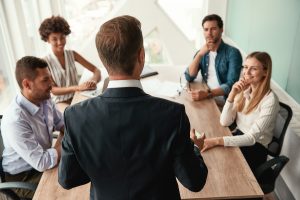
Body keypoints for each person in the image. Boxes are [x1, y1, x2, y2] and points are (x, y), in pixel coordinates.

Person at [58, 15, 208, 200]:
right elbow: (194, 181)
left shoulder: (75, 116)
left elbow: (68, 178)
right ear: (141, 56)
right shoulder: (172, 115)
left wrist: (101, 166)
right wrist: (193, 148)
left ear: (103, 60)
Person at [200, 51, 280, 172]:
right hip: (238, 135)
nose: (246, 72)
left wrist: (217, 141)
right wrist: (232, 94)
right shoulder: (244, 90)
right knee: (210, 156)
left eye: (253, 69)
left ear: (265, 72)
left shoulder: (270, 101)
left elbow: (251, 138)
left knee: (218, 162)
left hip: (255, 147)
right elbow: (224, 122)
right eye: (245, 67)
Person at [0, 56, 64, 199]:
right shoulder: (15, 120)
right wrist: (66, 144)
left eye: (50, 78)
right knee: (64, 190)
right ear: (27, 84)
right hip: (23, 177)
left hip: (42, 159)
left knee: (78, 168)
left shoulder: (45, 99)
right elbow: (42, 162)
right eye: (45, 80)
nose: (51, 84)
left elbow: (62, 124)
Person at [39, 15, 101, 112]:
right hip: (59, 102)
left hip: (78, 96)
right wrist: (77, 87)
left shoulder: (72, 54)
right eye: (54, 39)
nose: (60, 42)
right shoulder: (45, 62)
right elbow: (53, 90)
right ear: (47, 40)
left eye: (62, 37)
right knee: (73, 114)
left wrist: (93, 81)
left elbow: (96, 70)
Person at [185, 14, 242, 105]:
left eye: (213, 29)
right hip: (206, 96)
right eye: (206, 29)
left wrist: (208, 94)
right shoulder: (202, 52)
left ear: (221, 30)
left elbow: (231, 85)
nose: (209, 33)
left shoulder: (233, 53)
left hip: (224, 101)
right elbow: (189, 77)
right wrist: (199, 55)